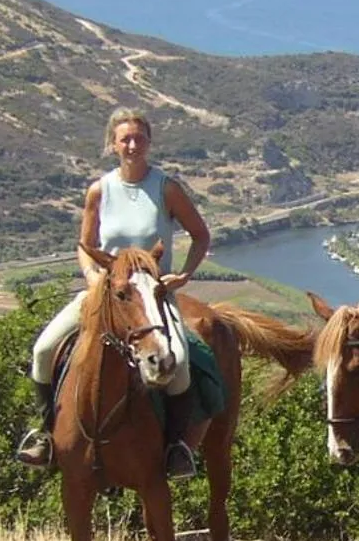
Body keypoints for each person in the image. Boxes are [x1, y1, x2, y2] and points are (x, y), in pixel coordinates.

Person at [18, 108, 214, 474]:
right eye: (125, 138)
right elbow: (84, 243)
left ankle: (175, 448)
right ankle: (47, 435)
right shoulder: (99, 190)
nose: (133, 145)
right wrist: (93, 277)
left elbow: (201, 235)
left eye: (139, 138)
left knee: (181, 365)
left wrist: (183, 275)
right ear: (112, 144)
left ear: (150, 142)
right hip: (106, 294)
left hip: (152, 298)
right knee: (44, 349)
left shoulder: (167, 188)